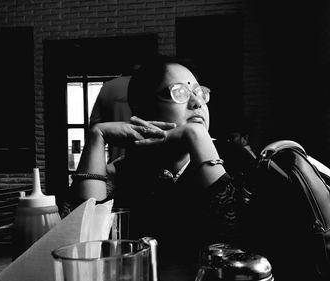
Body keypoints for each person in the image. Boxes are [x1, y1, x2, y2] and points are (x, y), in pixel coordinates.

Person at [69, 55, 254, 278]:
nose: (197, 102)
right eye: (179, 92)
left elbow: (240, 234)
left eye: (198, 92)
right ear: (144, 108)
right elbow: (84, 239)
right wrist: (96, 136)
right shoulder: (125, 171)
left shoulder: (238, 159)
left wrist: (196, 135)